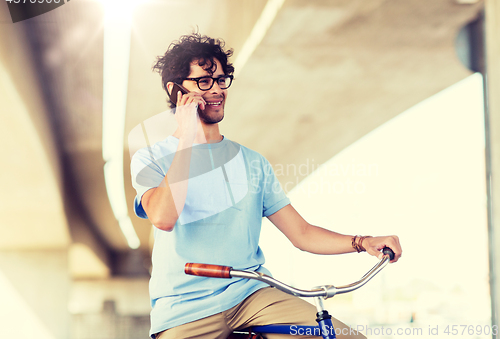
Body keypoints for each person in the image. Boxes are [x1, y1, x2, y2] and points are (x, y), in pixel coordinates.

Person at [130, 33, 402, 339]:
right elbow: (164, 218)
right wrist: (185, 138)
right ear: (176, 89)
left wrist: (362, 242)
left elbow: (302, 234)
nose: (217, 90)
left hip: (251, 296)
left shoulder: (252, 162)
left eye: (221, 80)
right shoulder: (150, 158)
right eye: (204, 82)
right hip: (185, 310)